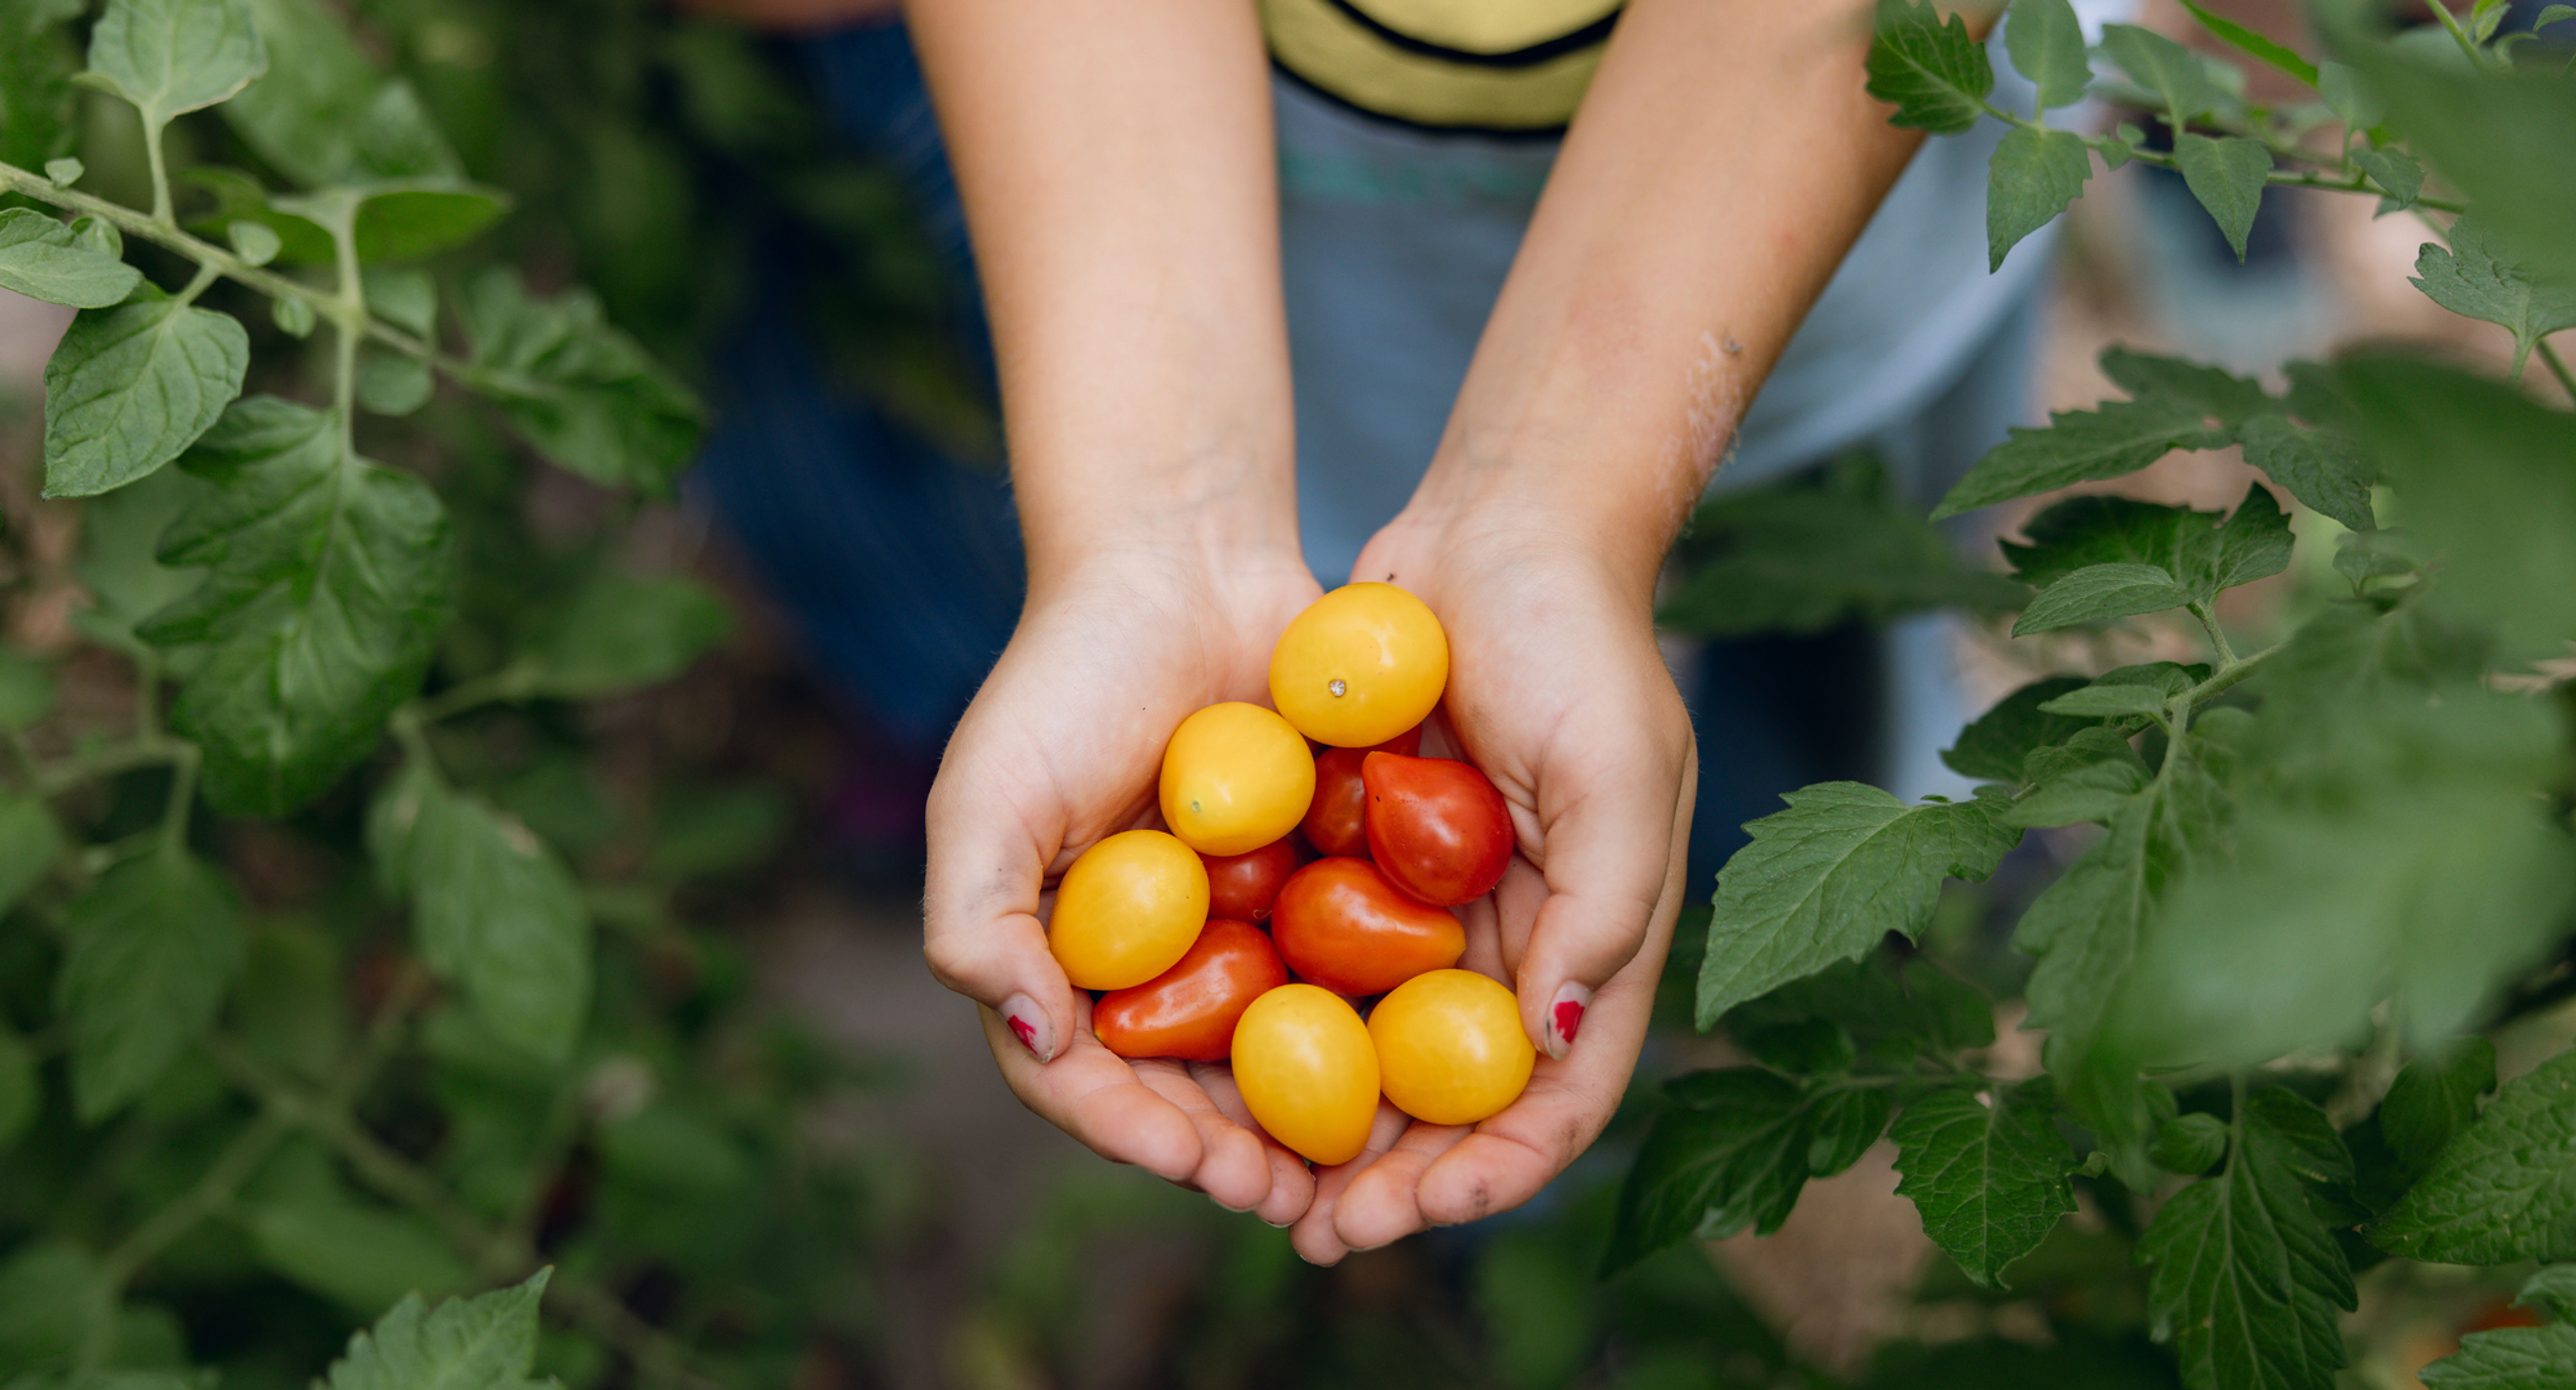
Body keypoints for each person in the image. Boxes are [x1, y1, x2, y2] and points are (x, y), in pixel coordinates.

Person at [691, 0, 2079, 1264]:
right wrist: (1159, 518)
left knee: (1861, 598)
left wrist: (1563, 507)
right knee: (1607, 793)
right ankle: (1568, 1204)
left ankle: (1909, 837)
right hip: (1280, 270)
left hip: (1820, 218)